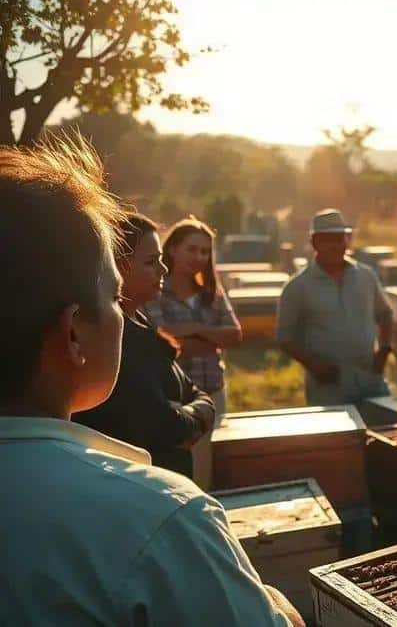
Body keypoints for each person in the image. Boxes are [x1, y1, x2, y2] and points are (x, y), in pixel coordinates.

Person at [0, 138, 303, 625]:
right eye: (115, 298)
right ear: (75, 333)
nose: (125, 316)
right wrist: (284, 611)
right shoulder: (163, 518)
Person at [74, 214, 215, 478]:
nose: (163, 270)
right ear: (117, 268)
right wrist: (199, 415)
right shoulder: (116, 339)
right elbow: (166, 428)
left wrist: (194, 409)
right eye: (152, 262)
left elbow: (193, 391)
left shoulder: (140, 321)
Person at [145, 217, 242, 490]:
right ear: (173, 249)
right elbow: (159, 341)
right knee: (177, 474)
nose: (199, 257)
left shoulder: (211, 293)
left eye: (204, 251)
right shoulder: (155, 291)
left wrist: (194, 327)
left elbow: (235, 334)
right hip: (172, 399)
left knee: (208, 469)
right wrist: (212, 339)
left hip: (213, 392)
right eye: (192, 249)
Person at [277, 209, 394, 405]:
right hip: (329, 388)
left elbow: (385, 314)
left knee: (384, 430)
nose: (335, 246)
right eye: (328, 240)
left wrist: (383, 352)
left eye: (340, 239)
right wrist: (315, 367)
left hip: (371, 380)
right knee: (339, 436)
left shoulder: (366, 275)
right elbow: (285, 338)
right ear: (315, 242)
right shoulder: (298, 286)